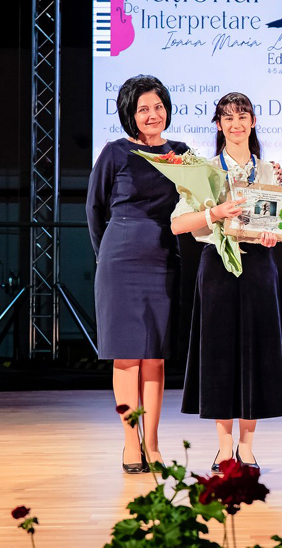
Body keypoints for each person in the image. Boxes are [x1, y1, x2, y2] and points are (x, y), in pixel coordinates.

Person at [172, 92, 282, 471]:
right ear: (219, 125)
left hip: (259, 266)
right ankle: (224, 448)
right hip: (217, 266)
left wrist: (274, 236)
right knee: (219, 354)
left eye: (242, 116)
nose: (236, 124)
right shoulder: (204, 170)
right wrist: (216, 212)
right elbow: (178, 224)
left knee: (257, 351)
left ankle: (247, 447)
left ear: (253, 122)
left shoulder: (270, 171)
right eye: (228, 117)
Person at [87, 75, 187, 474]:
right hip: (120, 260)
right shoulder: (115, 152)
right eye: (143, 109)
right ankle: (131, 442)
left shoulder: (181, 153)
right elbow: (94, 209)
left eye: (158, 106)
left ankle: (154, 442)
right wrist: (105, 256)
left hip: (164, 258)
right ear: (130, 114)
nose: (152, 115)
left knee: (155, 358)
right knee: (127, 357)